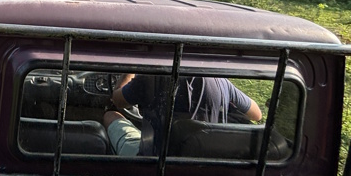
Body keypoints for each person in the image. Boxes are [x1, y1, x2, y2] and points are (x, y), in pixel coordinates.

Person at [103, 74, 263, 156]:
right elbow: (256, 115)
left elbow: (117, 100)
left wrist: (131, 71)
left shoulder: (152, 77)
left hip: (153, 163)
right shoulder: (221, 81)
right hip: (204, 163)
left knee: (110, 115)